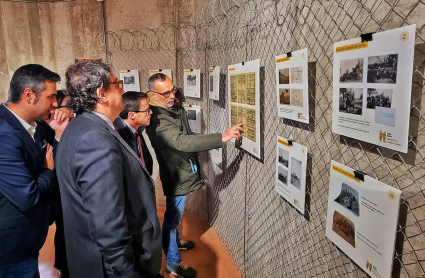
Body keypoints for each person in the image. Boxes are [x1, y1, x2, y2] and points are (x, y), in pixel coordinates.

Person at [55, 61, 162, 278]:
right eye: (116, 84)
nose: (122, 88)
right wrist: (126, 272)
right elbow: (107, 222)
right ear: (102, 94)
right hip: (112, 266)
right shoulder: (94, 138)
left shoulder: (81, 126)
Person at [146, 73, 243, 278]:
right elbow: (183, 142)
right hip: (177, 176)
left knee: (177, 217)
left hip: (184, 170)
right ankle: (172, 263)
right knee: (172, 220)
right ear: (153, 95)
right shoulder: (158, 120)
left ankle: (177, 242)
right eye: (166, 93)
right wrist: (221, 137)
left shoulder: (168, 106)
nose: (172, 95)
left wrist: (174, 101)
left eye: (173, 90)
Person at [0, 64, 60, 277]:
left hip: (30, 241)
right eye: (51, 97)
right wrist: (48, 171)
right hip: (10, 248)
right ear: (28, 95)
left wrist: (59, 130)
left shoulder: (38, 125)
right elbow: (27, 196)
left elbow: (55, 152)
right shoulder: (4, 134)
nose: (55, 103)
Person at [113, 91, 153, 176]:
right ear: (132, 115)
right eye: (147, 110)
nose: (151, 113)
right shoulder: (116, 135)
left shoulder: (137, 130)